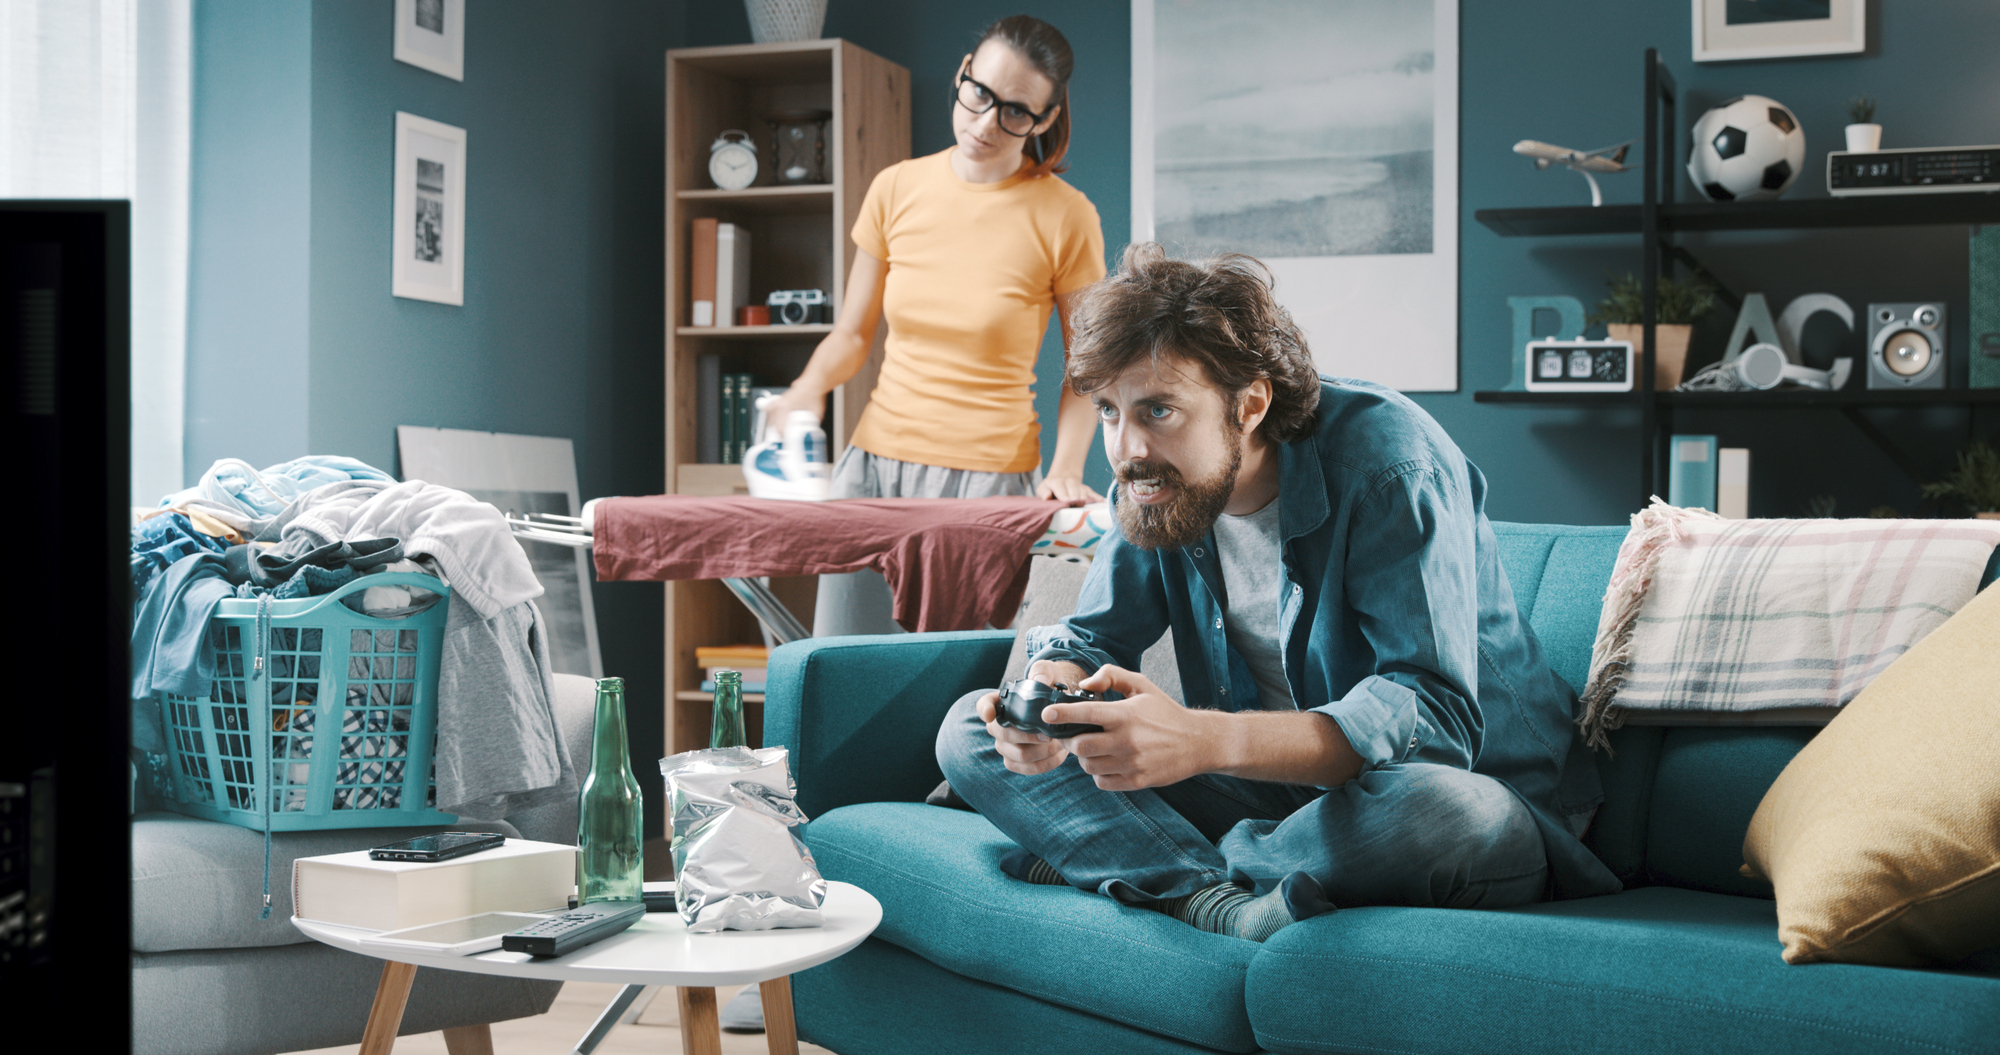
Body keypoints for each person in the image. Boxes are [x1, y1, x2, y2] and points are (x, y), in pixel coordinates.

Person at [935, 244, 1622, 943]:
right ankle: (1214, 901)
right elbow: (1088, 639)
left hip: (1471, 793)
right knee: (969, 731)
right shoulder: (1158, 483)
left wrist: (1201, 740)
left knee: (1438, 812)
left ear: (1251, 403)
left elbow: (1433, 720)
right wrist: (1049, 691)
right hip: (1282, 797)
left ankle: (1123, 860)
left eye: (1159, 410)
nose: (1125, 448)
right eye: (1109, 411)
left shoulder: (1390, 464)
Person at [759, 15, 1108, 637]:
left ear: (1046, 119)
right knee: (840, 675)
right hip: (873, 470)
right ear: (962, 74)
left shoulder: (1066, 216)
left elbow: (1090, 367)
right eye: (979, 94)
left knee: (955, 695)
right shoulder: (896, 188)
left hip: (988, 480)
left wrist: (1067, 468)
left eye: (1015, 112)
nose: (985, 124)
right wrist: (806, 390)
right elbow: (852, 334)